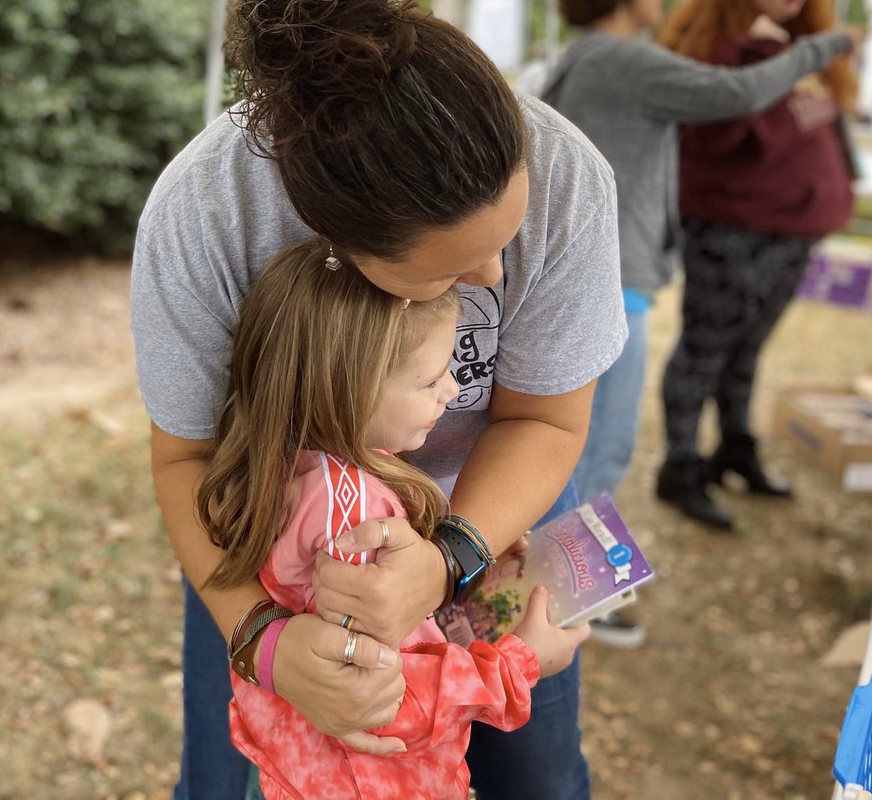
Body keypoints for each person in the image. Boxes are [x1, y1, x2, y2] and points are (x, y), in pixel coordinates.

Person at [130, 0, 626, 800]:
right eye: (451, 271)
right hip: (274, 554)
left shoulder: (570, 178)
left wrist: (446, 559)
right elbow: (187, 459)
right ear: (335, 246)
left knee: (534, 779)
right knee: (234, 779)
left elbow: (545, 420)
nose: (494, 282)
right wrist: (261, 639)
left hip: (490, 517)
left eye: (504, 241)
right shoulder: (204, 214)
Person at [201, 237, 585, 799]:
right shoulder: (352, 521)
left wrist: (471, 568)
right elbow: (384, 697)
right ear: (348, 389)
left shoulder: (292, 470)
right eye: (431, 381)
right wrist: (519, 664)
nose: (452, 394)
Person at [541, 0, 854, 533]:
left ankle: (555, 593)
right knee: (598, 448)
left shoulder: (594, 56)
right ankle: (568, 600)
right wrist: (828, 45)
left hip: (604, 273)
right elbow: (732, 93)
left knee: (583, 443)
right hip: (611, 280)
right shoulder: (619, 57)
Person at [653, 0, 857, 529]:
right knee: (704, 349)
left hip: (790, 233)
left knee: (748, 349)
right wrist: (763, 60)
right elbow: (711, 139)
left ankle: (734, 449)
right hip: (731, 231)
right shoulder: (722, 50)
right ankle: (680, 467)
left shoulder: (794, 43)